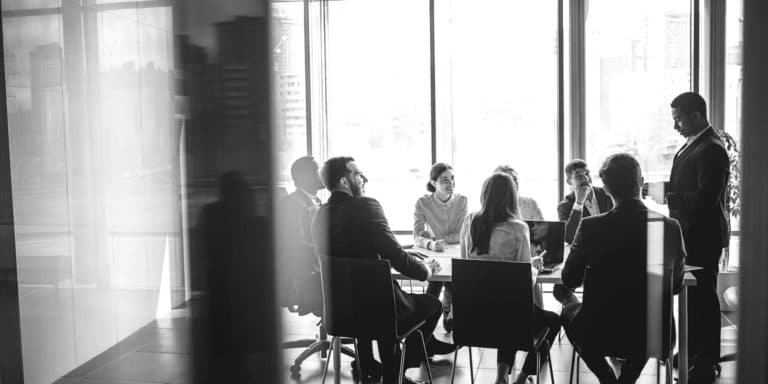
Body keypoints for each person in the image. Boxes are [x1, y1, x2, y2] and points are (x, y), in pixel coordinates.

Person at [312, 156, 455, 384]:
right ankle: (396, 370)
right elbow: (395, 255)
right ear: (344, 182)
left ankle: (370, 366)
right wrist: (425, 272)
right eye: (358, 174)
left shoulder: (319, 215)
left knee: (372, 305)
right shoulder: (367, 206)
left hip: (341, 312)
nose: (364, 178)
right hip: (381, 310)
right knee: (433, 305)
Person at [556, 153, 686, 384]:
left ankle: (608, 379)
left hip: (601, 330)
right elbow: (675, 286)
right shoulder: (669, 227)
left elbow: (569, 278)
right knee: (647, 323)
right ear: (642, 182)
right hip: (655, 333)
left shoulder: (591, 228)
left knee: (568, 310)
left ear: (605, 188)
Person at [461, 173, 560, 384]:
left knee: (509, 310)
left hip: (474, 316)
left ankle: (500, 377)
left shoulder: (469, 220)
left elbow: (465, 264)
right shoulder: (518, 228)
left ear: (484, 194)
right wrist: (534, 267)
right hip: (509, 316)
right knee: (547, 319)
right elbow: (524, 282)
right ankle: (522, 378)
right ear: (512, 197)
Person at [667, 92, 729, 384]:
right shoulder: (692, 145)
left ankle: (707, 359)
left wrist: (672, 197)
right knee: (692, 295)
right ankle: (691, 352)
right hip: (689, 234)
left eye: (678, 118)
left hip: (703, 236)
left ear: (696, 115)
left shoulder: (712, 148)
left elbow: (707, 197)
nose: (675, 126)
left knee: (704, 296)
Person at [414, 162, 468, 332]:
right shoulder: (423, 202)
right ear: (433, 182)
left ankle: (430, 321)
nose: (450, 183)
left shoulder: (462, 201)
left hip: (455, 253)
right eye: (444, 179)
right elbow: (418, 235)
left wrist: (436, 239)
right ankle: (440, 314)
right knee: (438, 277)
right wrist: (431, 243)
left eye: (452, 178)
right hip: (434, 253)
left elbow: (461, 233)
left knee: (449, 276)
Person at [277, 156, 324, 313]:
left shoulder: (315, 201)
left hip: (319, 269)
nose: (322, 173)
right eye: (317, 169)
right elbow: (297, 247)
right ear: (305, 177)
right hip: (309, 277)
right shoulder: (292, 204)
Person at [558, 159, 613, 244]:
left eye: (587, 173)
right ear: (569, 181)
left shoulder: (607, 194)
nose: (586, 178)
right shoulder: (564, 206)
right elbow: (569, 238)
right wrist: (579, 203)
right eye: (579, 175)